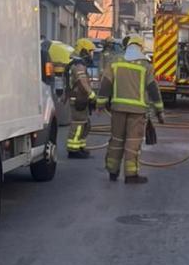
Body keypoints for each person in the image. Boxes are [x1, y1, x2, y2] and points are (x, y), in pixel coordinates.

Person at [96, 35, 164, 184]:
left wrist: (100, 104)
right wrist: (159, 110)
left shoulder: (115, 61)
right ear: (140, 47)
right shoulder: (146, 65)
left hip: (117, 108)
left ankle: (112, 172)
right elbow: (153, 89)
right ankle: (131, 174)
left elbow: (105, 84)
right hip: (137, 111)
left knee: (116, 140)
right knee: (133, 142)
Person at [66, 39, 97, 158]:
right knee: (78, 125)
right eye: (90, 51)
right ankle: (73, 150)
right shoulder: (79, 65)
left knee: (85, 124)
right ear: (83, 51)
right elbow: (82, 81)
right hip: (78, 99)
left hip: (81, 99)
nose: (91, 54)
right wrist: (92, 95)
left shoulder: (79, 64)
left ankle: (80, 146)